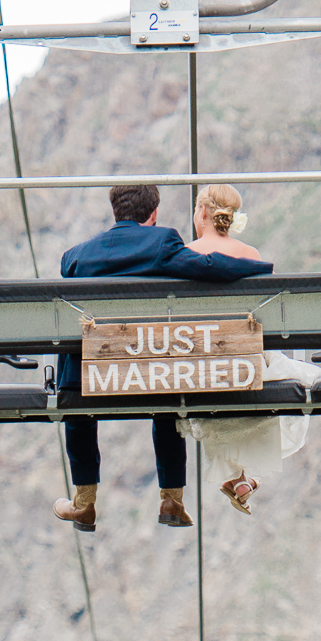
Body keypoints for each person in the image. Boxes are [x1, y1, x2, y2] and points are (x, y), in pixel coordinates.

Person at [52, 183, 269, 532]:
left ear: (115, 212)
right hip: (150, 374)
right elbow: (210, 267)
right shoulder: (163, 243)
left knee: (79, 391)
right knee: (167, 383)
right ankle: (172, 499)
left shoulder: (75, 256)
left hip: (90, 379)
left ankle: (84, 502)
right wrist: (261, 268)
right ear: (153, 214)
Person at [181, 185, 321, 514]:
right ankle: (242, 476)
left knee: (210, 375)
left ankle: (237, 476)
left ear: (202, 213)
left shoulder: (185, 255)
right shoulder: (253, 256)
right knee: (251, 367)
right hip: (247, 359)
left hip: (203, 362)